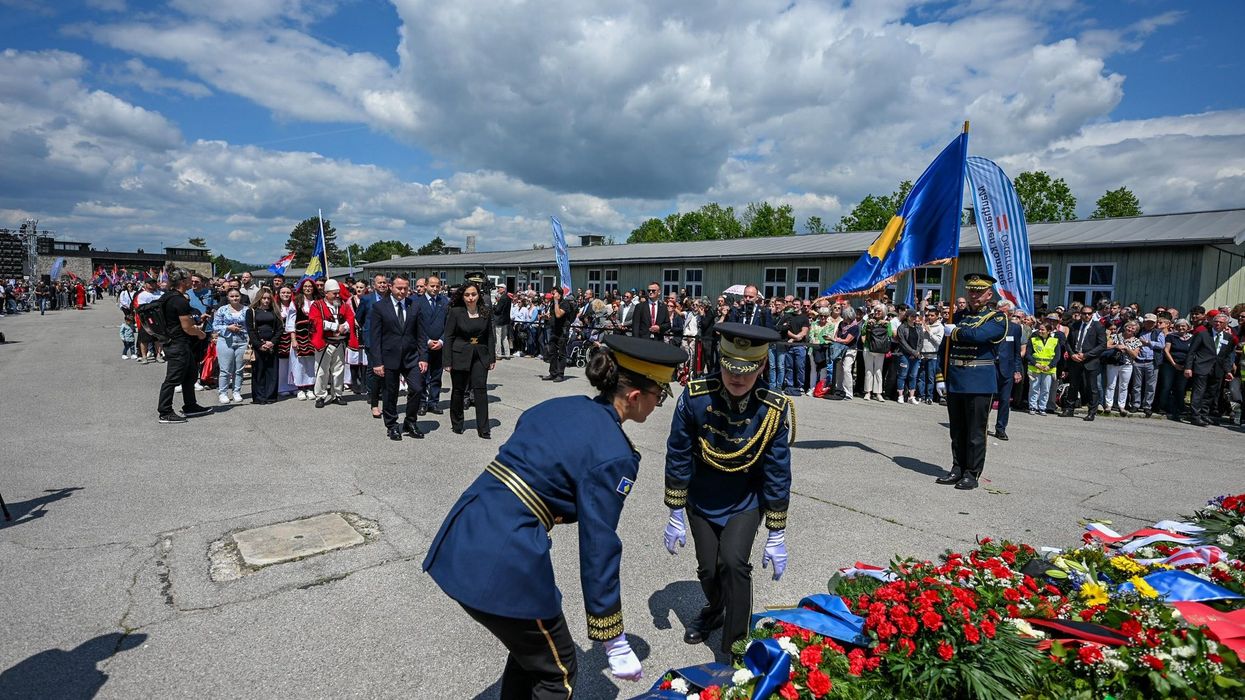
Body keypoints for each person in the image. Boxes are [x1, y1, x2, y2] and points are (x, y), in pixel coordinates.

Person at [423, 334, 686, 697]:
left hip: (464, 528)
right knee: (557, 672)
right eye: (660, 395)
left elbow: (531, 453)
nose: (660, 405)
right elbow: (599, 546)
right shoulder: (616, 454)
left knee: (531, 653)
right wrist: (611, 636)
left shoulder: (561, 406)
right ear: (635, 396)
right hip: (506, 554)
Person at [663, 322, 792, 656]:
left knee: (734, 563)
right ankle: (715, 608)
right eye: (730, 368)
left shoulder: (772, 408)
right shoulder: (694, 396)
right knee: (708, 568)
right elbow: (678, 451)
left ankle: (736, 644)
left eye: (748, 371)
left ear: (762, 365)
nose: (738, 378)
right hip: (701, 496)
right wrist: (675, 508)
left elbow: (777, 470)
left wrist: (776, 531)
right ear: (720, 360)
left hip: (744, 500)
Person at [935, 274, 1007, 491]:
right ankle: (957, 467)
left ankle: (971, 473)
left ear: (989, 294)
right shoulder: (957, 316)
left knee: (976, 431)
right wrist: (940, 376)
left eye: (979, 291)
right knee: (957, 430)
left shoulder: (997, 318)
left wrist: (955, 331)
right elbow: (943, 351)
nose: (974, 295)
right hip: (956, 378)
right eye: (971, 291)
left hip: (979, 380)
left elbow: (978, 336)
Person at [368, 275, 428, 441]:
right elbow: (375, 337)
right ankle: (392, 425)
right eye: (399, 288)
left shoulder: (414, 306)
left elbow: (421, 334)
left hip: (411, 357)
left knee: (417, 389)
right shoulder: (379, 307)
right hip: (389, 358)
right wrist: (377, 362)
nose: (402, 291)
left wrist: (423, 357)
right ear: (390, 287)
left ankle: (410, 421)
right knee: (390, 393)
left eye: (405, 288)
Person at [157, 268, 213, 423]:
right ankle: (165, 411)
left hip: (178, 342)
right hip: (178, 343)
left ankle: (190, 405)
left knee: (190, 375)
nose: (191, 281)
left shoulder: (168, 296)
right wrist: (200, 334)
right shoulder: (179, 300)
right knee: (173, 379)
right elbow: (187, 326)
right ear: (182, 281)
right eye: (189, 279)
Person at [444, 281, 496, 438]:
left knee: (480, 390)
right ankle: (458, 423)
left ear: (478, 295)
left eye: (473, 294)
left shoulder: (485, 311)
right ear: (462, 296)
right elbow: (449, 336)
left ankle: (484, 427)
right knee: (459, 390)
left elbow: (489, 336)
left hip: (480, 354)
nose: (470, 298)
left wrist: (492, 357)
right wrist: (447, 361)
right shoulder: (455, 312)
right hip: (460, 354)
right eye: (467, 295)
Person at [1184, 312, 1236, 426]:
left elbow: (1226, 357)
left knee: (1210, 393)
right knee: (1199, 392)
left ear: (1226, 324)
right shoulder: (1203, 334)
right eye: (1216, 321)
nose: (1217, 323)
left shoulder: (1228, 338)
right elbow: (1192, 352)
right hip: (1202, 367)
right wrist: (1188, 367)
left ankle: (1204, 414)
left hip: (1217, 369)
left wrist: (1228, 371)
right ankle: (1195, 416)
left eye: (1221, 322)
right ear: (1212, 322)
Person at [310, 279, 355, 408]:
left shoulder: (343, 305)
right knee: (322, 371)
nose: (337, 296)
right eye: (334, 293)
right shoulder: (317, 305)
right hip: (325, 343)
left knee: (339, 370)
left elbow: (350, 318)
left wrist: (345, 327)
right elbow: (315, 321)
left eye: (338, 293)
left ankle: (337, 394)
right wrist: (335, 326)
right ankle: (320, 395)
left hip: (339, 342)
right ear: (326, 293)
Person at [1061, 307, 1107, 421]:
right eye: (1084, 313)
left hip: (1090, 360)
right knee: (1073, 385)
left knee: (1091, 387)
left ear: (1092, 314)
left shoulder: (1098, 326)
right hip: (1075, 360)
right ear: (1080, 314)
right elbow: (1068, 343)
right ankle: (1069, 409)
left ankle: (1092, 411)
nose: (1087, 316)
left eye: (1089, 314)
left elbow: (1102, 345)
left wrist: (1086, 355)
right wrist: (1072, 354)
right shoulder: (1075, 325)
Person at [355, 274, 390, 418]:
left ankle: (382, 391)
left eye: (384, 283)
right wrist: (367, 330)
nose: (382, 285)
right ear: (374, 285)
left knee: (386, 368)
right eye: (379, 283)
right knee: (372, 368)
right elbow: (359, 318)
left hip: (387, 339)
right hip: (371, 339)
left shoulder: (390, 298)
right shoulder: (366, 299)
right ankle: (371, 393)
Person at [416, 275, 449, 415]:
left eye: (437, 286)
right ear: (426, 286)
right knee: (422, 376)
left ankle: (433, 402)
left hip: (439, 346)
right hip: (424, 345)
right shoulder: (417, 303)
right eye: (432, 286)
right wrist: (427, 341)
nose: (435, 288)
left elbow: (448, 325)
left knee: (436, 376)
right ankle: (422, 402)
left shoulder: (445, 302)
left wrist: (442, 341)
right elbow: (416, 326)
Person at [212, 288, 250, 405]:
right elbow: (215, 325)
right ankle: (223, 393)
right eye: (232, 296)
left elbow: (250, 326)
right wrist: (228, 327)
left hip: (242, 341)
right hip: (225, 340)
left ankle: (236, 391)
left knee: (239, 369)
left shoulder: (247, 310)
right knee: (225, 369)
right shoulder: (222, 309)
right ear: (228, 297)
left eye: (237, 296)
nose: (235, 298)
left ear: (240, 296)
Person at [992, 304, 1024, 440]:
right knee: (986, 399)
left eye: (1005, 313)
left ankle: (1000, 428)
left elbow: (1017, 352)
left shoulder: (1015, 328)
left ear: (1010, 314)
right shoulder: (990, 325)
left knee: (1004, 400)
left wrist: (1017, 370)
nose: (1002, 315)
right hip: (991, 367)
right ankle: (981, 426)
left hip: (1007, 368)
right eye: (1000, 312)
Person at [247, 287, 281, 404]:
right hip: (258, 345)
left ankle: (270, 396)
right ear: (259, 299)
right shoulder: (251, 311)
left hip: (272, 345)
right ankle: (259, 397)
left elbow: (279, 329)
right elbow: (250, 330)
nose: (266, 301)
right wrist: (259, 344)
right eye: (264, 298)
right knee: (259, 371)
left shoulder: (275, 311)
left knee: (272, 371)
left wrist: (272, 342)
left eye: (268, 298)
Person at [291, 279, 319, 400]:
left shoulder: (318, 301)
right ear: (302, 288)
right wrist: (293, 339)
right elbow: (291, 322)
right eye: (305, 286)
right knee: (300, 363)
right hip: (300, 336)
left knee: (312, 362)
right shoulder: (296, 302)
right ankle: (300, 388)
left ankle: (310, 387)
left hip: (314, 336)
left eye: (310, 286)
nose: (308, 288)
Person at [1026, 321, 1061, 415]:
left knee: (1045, 389)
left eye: (1043, 329)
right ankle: (1032, 406)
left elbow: (1057, 356)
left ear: (1049, 331)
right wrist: (1035, 363)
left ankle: (1042, 407)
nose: (1040, 331)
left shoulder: (1055, 341)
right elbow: (1028, 354)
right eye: (1039, 329)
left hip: (1048, 369)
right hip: (1035, 368)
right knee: (1034, 388)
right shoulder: (1033, 339)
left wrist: (1050, 366)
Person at [542, 287, 575, 381]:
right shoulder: (553, 303)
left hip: (562, 331)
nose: (552, 295)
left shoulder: (565, 304)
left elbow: (558, 314)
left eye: (554, 293)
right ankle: (553, 373)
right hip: (554, 330)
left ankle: (560, 374)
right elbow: (554, 315)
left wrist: (556, 302)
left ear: (559, 294)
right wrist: (547, 316)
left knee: (561, 353)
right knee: (552, 352)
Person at [861, 306, 891, 401]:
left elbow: (890, 335)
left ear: (884, 312)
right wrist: (868, 325)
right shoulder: (869, 321)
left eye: (879, 311)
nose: (877, 312)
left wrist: (886, 325)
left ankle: (878, 393)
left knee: (878, 371)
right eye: (876, 310)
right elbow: (863, 333)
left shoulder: (887, 323)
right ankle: (868, 392)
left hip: (880, 349)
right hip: (868, 347)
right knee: (868, 370)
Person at [345, 280, 370, 394]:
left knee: (364, 360)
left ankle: (364, 383)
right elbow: (346, 314)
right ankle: (354, 383)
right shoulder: (350, 301)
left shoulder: (369, 299)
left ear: (366, 288)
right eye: (357, 287)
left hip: (365, 330)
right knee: (354, 359)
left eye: (362, 287)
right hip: (353, 331)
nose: (359, 289)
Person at [831, 306, 859, 399]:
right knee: (839, 369)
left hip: (850, 349)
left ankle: (848, 393)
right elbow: (836, 335)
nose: (844, 319)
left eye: (846, 317)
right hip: (839, 349)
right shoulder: (841, 324)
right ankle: (839, 389)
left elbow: (847, 340)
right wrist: (835, 339)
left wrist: (837, 339)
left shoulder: (855, 327)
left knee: (846, 369)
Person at [275, 285, 298, 397]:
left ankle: (294, 385)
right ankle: (282, 386)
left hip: (293, 336)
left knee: (293, 362)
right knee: (282, 363)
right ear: (279, 294)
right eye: (283, 292)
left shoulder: (295, 306)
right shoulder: (275, 307)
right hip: (280, 338)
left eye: (288, 293)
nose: (285, 295)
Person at [492, 284, 512, 359]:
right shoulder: (508, 297)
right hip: (505, 320)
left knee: (498, 337)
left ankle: (498, 354)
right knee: (504, 337)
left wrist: (494, 307)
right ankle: (507, 354)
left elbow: (498, 310)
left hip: (499, 320)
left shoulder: (502, 298)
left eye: (499, 288)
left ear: (503, 289)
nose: (498, 289)